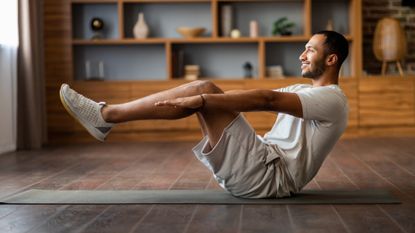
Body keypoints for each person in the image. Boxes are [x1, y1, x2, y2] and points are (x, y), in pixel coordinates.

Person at [60, 30, 349, 199]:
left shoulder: (333, 100)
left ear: (331, 59)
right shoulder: (303, 88)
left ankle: (106, 115)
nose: (302, 55)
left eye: (310, 50)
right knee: (204, 93)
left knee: (203, 90)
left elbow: (266, 99)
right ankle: (106, 116)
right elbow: (252, 98)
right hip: (260, 162)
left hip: (269, 177)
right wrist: (204, 100)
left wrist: (201, 98)